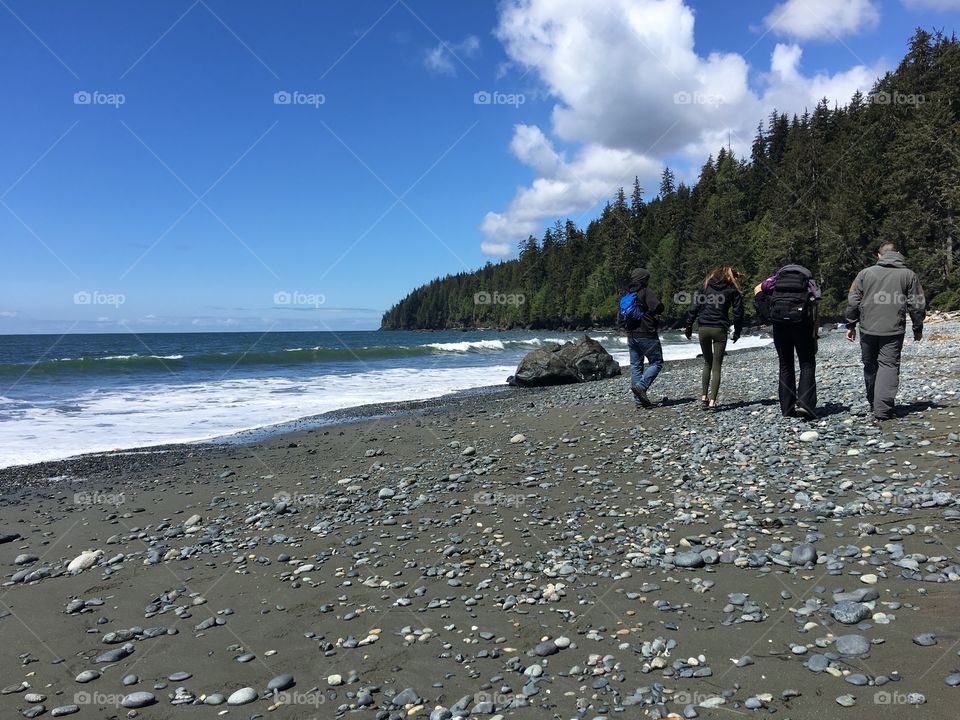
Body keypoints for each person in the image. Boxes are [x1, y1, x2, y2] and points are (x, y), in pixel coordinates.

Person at [844, 242, 925, 421]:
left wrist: (850, 324)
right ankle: (883, 408)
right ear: (898, 253)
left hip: (867, 327)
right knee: (888, 366)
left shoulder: (864, 274)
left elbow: (853, 300)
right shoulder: (908, 275)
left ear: (878, 256)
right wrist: (917, 328)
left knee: (870, 365)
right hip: (893, 328)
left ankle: (875, 403)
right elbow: (917, 304)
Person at [754, 264, 821, 418]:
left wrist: (766, 314)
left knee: (785, 365)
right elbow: (816, 309)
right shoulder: (810, 282)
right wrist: (815, 333)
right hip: (802, 325)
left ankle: (787, 408)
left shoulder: (775, 280)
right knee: (807, 364)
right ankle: (805, 404)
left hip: (780, 326)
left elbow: (757, 289)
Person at [684, 265, 745, 411]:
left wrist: (688, 325)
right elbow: (738, 313)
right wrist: (737, 331)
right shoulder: (732, 289)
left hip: (703, 328)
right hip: (719, 329)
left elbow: (694, 306)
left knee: (707, 362)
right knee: (717, 366)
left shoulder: (705, 285)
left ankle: (704, 396)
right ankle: (712, 401)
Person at [620, 268, 665, 408]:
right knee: (656, 362)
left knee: (635, 366)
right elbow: (657, 306)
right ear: (644, 279)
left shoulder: (628, 294)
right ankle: (641, 386)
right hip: (647, 334)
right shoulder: (646, 291)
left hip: (631, 335)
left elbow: (620, 317)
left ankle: (639, 402)